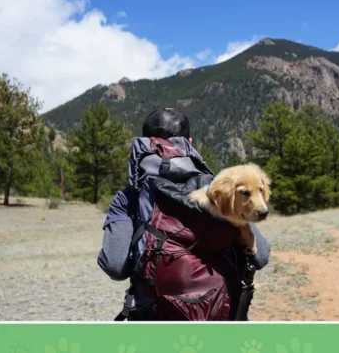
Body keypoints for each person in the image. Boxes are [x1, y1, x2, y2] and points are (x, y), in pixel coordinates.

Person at [97, 107, 271, 320]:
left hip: (154, 317)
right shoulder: (218, 189)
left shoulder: (129, 197)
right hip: (220, 314)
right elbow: (260, 257)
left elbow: (115, 267)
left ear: (145, 144)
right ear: (190, 142)